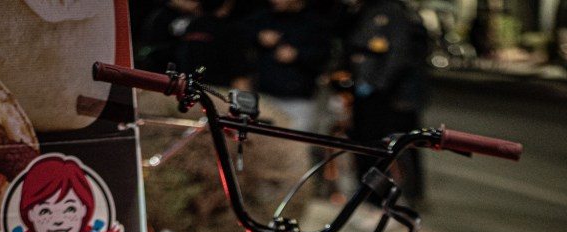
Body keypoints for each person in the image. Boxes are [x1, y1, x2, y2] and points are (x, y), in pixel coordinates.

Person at [342, 0, 429, 207]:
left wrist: (375, 85)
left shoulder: (391, 12)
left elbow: (398, 54)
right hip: (376, 92)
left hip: (388, 97)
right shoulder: (367, 9)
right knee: (373, 144)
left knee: (392, 147)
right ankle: (375, 195)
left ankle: (391, 198)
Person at [242, 0, 332, 132]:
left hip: (298, 102)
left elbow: (324, 55)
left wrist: (297, 55)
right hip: (265, 97)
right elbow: (236, 30)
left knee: (295, 142)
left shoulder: (315, 23)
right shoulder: (265, 17)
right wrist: (258, 36)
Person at [181, 0, 254, 89]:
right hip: (218, 89)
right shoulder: (230, 30)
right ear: (227, 4)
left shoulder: (191, 25)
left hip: (187, 85)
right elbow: (239, 75)